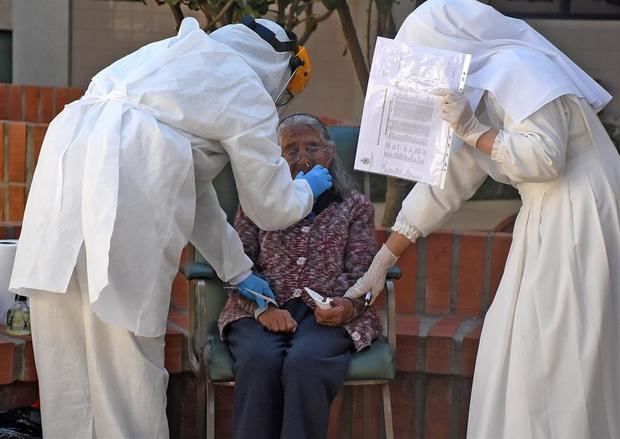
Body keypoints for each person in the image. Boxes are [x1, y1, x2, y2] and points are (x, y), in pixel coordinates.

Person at [9, 17, 332, 439]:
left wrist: (237, 271)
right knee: (127, 358)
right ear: (279, 67)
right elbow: (271, 207)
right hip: (126, 183)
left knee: (66, 352)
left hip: (64, 170)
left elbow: (189, 187)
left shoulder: (172, 59)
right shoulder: (245, 86)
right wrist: (305, 190)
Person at [345, 0, 620, 437]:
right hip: (549, 211)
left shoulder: (521, 68)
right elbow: (449, 179)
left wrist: (474, 130)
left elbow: (545, 158)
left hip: (581, 212)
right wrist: (383, 258)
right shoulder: (479, 87)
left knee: (563, 347)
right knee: (521, 342)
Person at [219, 113, 382, 439]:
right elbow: (236, 264)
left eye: (313, 148)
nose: (304, 158)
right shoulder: (257, 203)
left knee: (305, 363)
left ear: (330, 152)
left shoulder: (355, 207)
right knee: (260, 358)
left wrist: (347, 308)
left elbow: (364, 272)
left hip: (328, 312)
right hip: (259, 309)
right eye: (291, 151)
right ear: (275, 158)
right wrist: (263, 309)